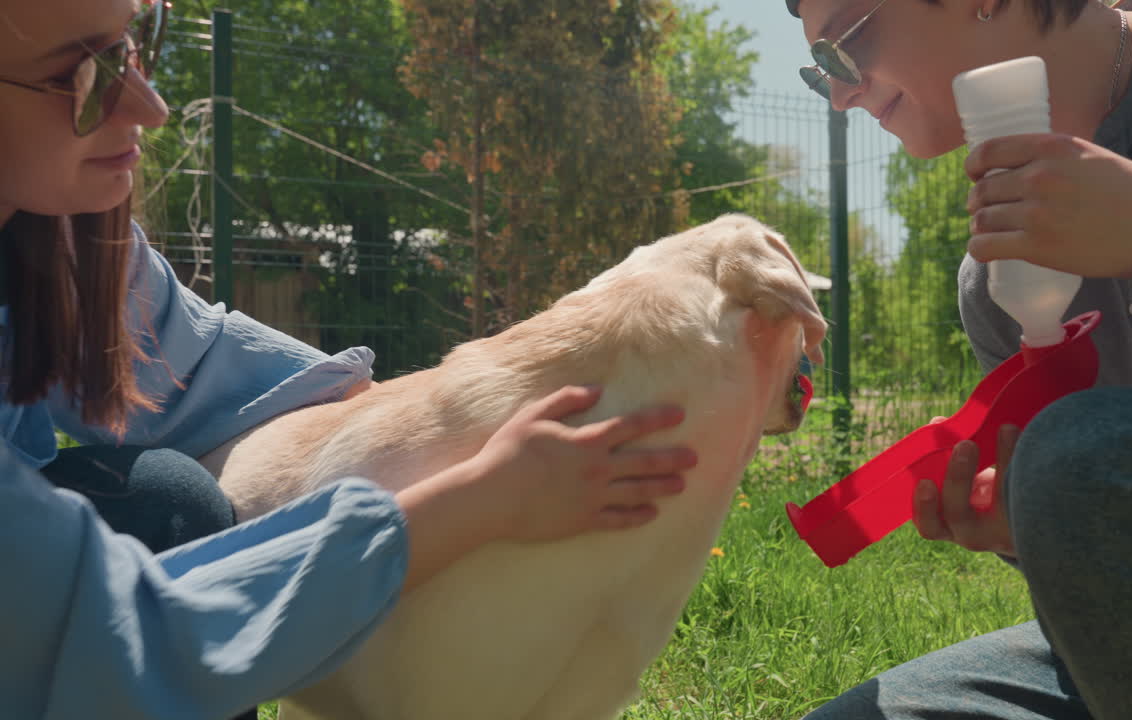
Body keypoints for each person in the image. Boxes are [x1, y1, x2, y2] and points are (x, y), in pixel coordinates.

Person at [0, 1, 700, 718]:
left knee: (162, 502)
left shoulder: (50, 237)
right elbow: (136, 635)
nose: (150, 107)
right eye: (85, 76)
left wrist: (427, 421)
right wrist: (477, 503)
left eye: (137, 41)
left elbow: (194, 365)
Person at [785, 0, 1132, 717]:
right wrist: (1033, 525)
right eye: (818, 72)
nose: (840, 94)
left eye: (844, 48)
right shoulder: (994, 288)